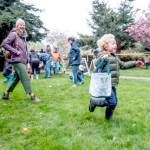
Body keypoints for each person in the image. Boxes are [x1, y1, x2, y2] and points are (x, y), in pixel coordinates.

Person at [89, 34, 143, 120]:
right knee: (112, 102)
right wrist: (104, 59)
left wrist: (135, 63)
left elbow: (123, 65)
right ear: (106, 46)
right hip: (106, 84)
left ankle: (108, 119)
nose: (115, 45)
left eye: (115, 43)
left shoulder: (114, 57)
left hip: (112, 84)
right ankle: (94, 102)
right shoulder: (102, 55)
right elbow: (97, 62)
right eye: (113, 43)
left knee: (114, 102)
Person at [1, 18, 40, 101]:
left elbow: (25, 51)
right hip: (17, 60)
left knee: (16, 78)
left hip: (23, 61)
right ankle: (31, 95)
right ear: (17, 26)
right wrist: (15, 51)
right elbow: (4, 44)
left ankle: (6, 94)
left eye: (23, 25)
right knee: (25, 77)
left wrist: (28, 62)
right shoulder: (13, 34)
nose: (22, 26)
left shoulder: (23, 37)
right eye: (20, 25)